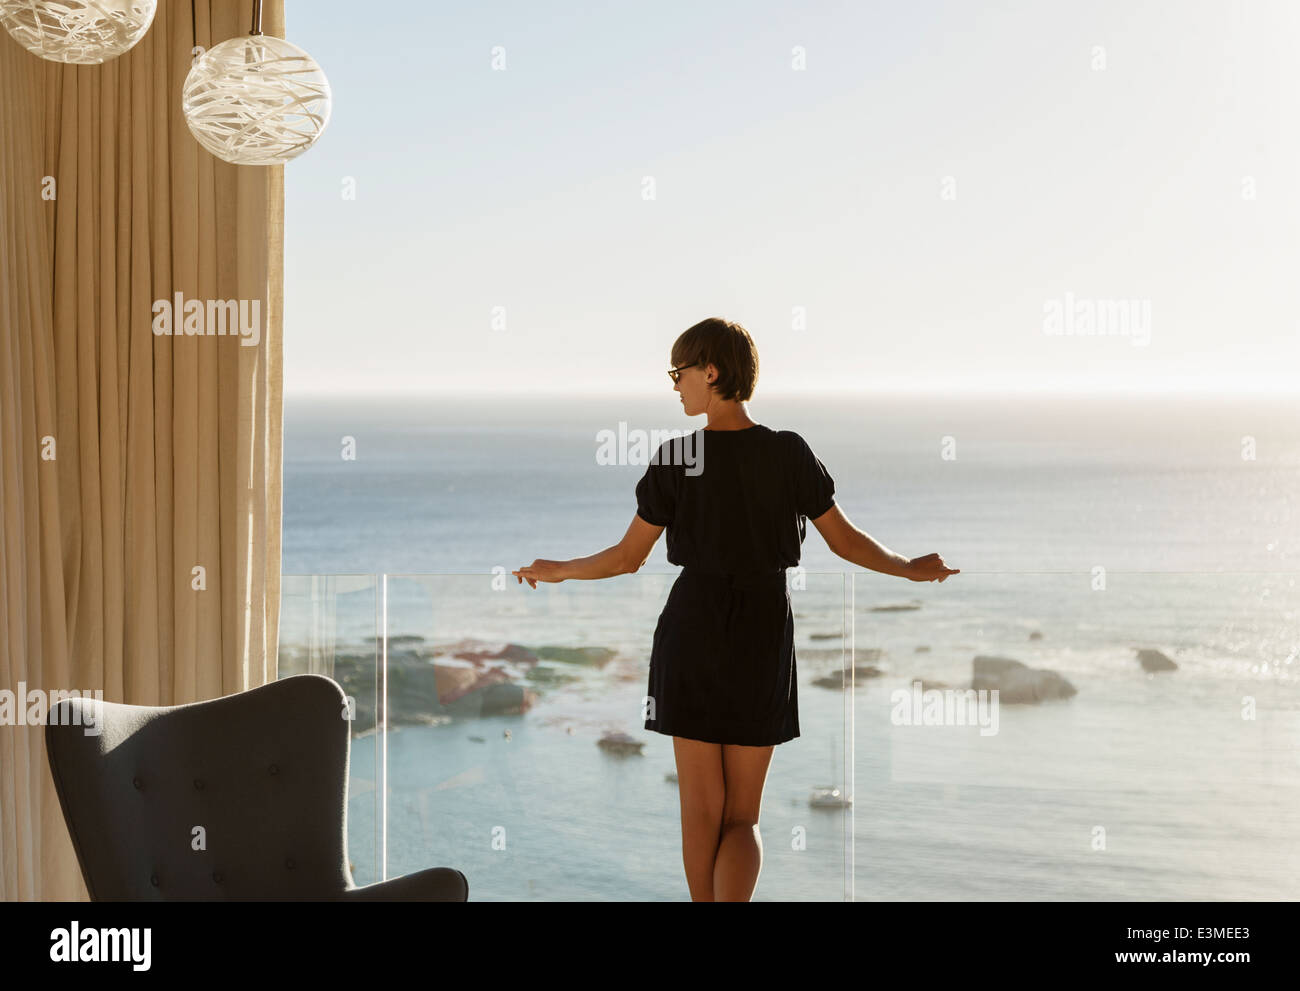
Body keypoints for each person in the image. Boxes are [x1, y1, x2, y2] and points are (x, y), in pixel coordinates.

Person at [513, 317, 958, 901]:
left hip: (692, 628)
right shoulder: (787, 452)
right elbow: (844, 542)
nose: (674, 385)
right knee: (742, 817)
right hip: (762, 629)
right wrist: (907, 566)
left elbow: (626, 558)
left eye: (679, 372)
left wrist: (558, 568)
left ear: (712, 372)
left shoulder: (677, 458)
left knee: (700, 808)